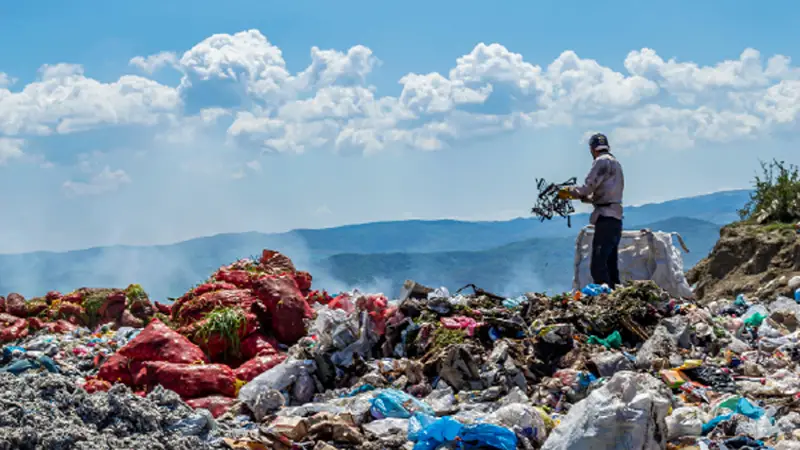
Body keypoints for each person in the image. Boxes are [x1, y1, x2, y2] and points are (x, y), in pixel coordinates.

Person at [558, 133, 625, 288]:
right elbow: (605, 193)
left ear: (592, 149)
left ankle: (605, 298)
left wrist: (569, 192)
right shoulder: (616, 163)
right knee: (611, 264)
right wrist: (588, 198)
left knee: (598, 265)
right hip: (616, 219)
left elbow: (587, 187)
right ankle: (615, 294)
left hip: (605, 218)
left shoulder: (600, 162)